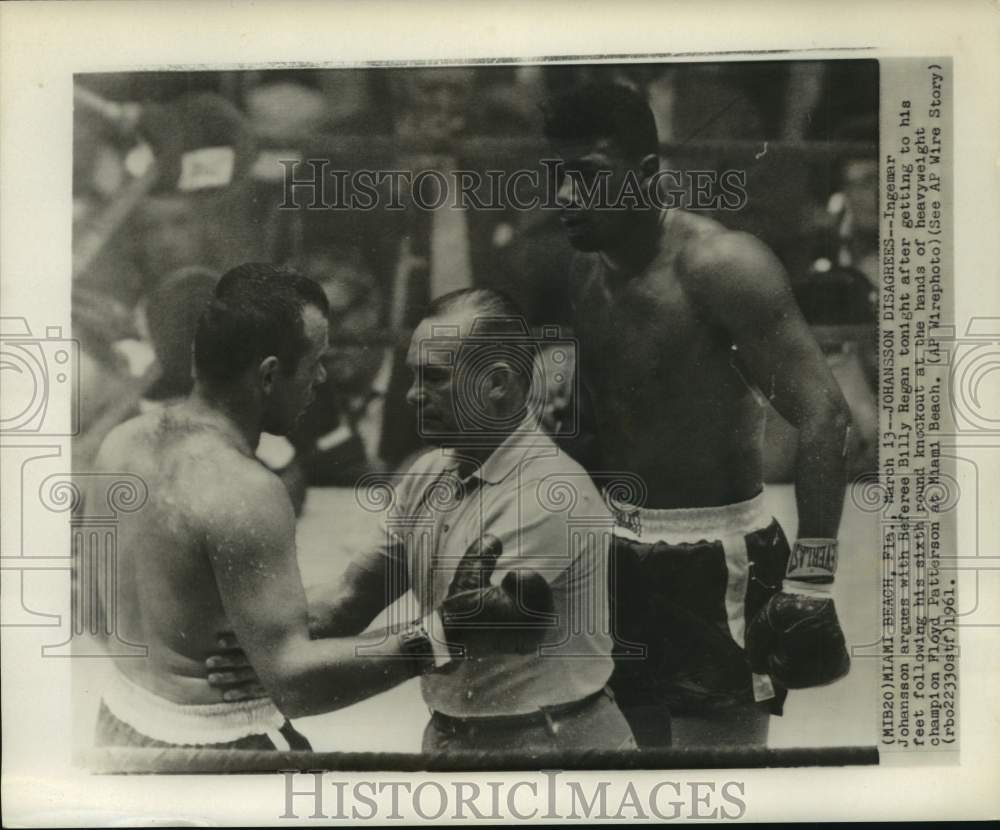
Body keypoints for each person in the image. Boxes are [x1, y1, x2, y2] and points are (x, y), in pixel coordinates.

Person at [541, 82, 853, 748]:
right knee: (635, 781)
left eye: (587, 177)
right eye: (556, 176)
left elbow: (824, 414)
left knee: (715, 789)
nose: (565, 197)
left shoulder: (722, 266)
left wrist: (813, 576)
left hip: (720, 557)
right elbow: (599, 426)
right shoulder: (582, 272)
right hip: (616, 550)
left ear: (647, 174)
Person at [208, 287, 635, 757]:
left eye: (434, 377)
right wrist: (256, 641)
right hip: (454, 741)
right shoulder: (428, 474)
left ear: (497, 383)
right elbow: (354, 596)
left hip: (556, 750)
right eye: (413, 375)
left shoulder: (554, 493)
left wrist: (283, 667)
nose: (412, 394)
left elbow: (453, 641)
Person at [89, 263, 485, 751]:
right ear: (270, 374)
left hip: (119, 727)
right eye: (314, 360)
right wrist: (446, 633)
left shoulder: (120, 444)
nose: (321, 376)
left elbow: (94, 610)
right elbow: (296, 685)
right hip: (217, 747)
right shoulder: (247, 488)